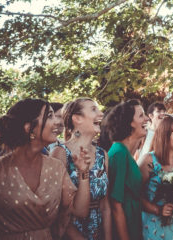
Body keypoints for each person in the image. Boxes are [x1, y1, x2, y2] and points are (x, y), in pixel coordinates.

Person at [0, 98, 91, 239]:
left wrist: (83, 172)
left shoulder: (56, 167)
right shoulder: (0, 171)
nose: (58, 122)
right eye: (49, 116)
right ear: (29, 128)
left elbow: (80, 211)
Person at [50, 98, 111, 240]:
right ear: (77, 118)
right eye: (94, 109)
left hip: (97, 233)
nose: (101, 114)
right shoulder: (60, 153)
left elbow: (105, 206)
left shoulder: (103, 155)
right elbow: (56, 210)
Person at [139, 115, 173, 240]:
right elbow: (134, 194)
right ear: (165, 134)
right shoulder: (149, 160)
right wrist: (157, 209)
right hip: (153, 225)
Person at [106, 99, 149, 240]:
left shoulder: (126, 153)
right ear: (130, 122)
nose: (147, 118)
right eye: (141, 115)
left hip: (134, 222)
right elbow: (115, 205)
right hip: (124, 229)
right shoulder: (119, 153)